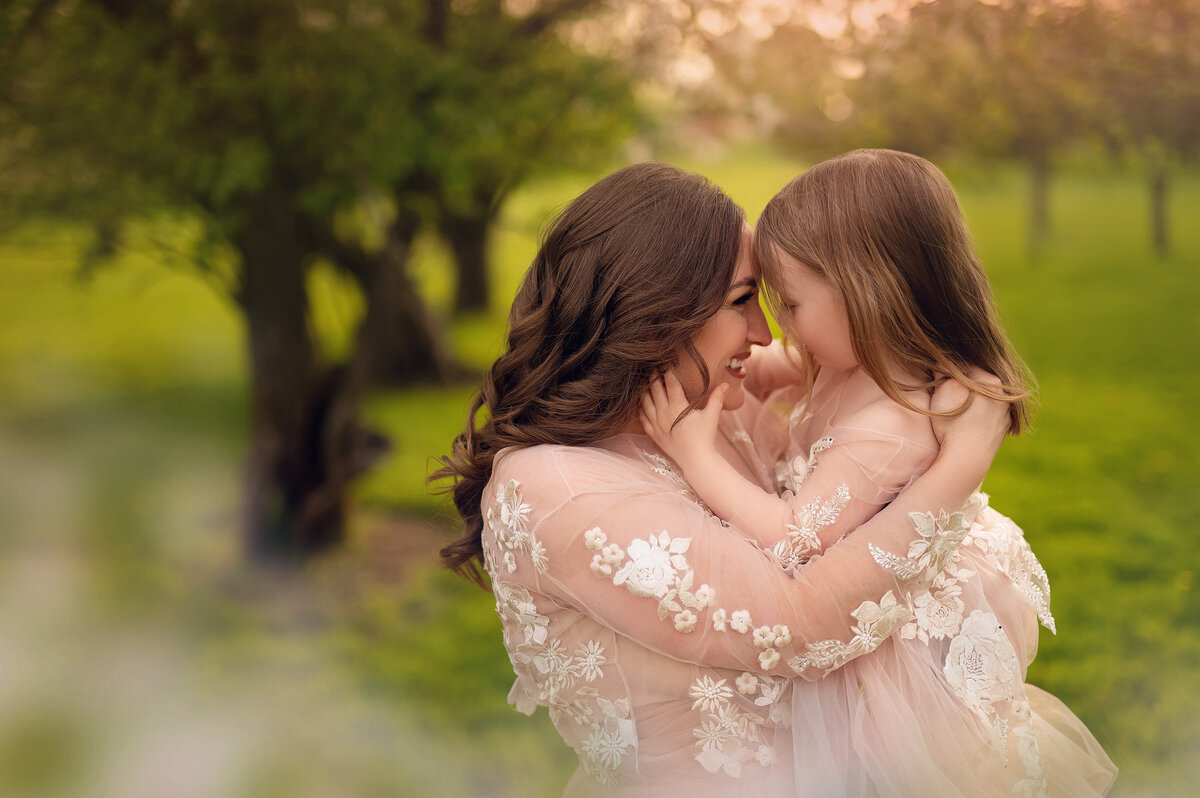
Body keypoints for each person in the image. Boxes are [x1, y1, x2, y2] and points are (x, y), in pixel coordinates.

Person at [434, 161, 1020, 797]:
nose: (767, 332)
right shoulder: (558, 487)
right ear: (656, 315)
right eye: (744, 300)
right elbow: (800, 623)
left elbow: (797, 404)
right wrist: (960, 465)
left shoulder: (711, 412)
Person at [640, 149, 1115, 795]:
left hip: (893, 639)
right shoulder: (853, 356)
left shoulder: (887, 424)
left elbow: (793, 539)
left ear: (867, 292)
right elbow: (768, 365)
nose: (780, 323)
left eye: (793, 302)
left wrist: (693, 454)